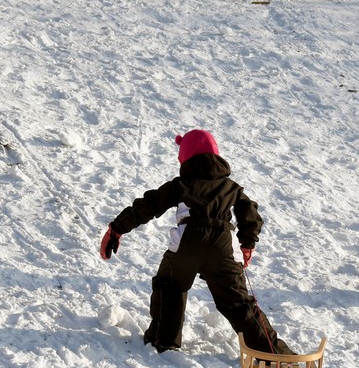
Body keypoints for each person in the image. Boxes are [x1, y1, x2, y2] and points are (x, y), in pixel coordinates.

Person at [98, 129, 295, 355]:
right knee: (238, 302)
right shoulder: (232, 187)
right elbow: (250, 215)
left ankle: (164, 339)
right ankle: (274, 353)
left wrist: (116, 229)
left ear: (185, 157)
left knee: (169, 285)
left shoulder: (181, 184)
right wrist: (247, 244)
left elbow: (149, 205)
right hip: (222, 246)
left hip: (188, 242)